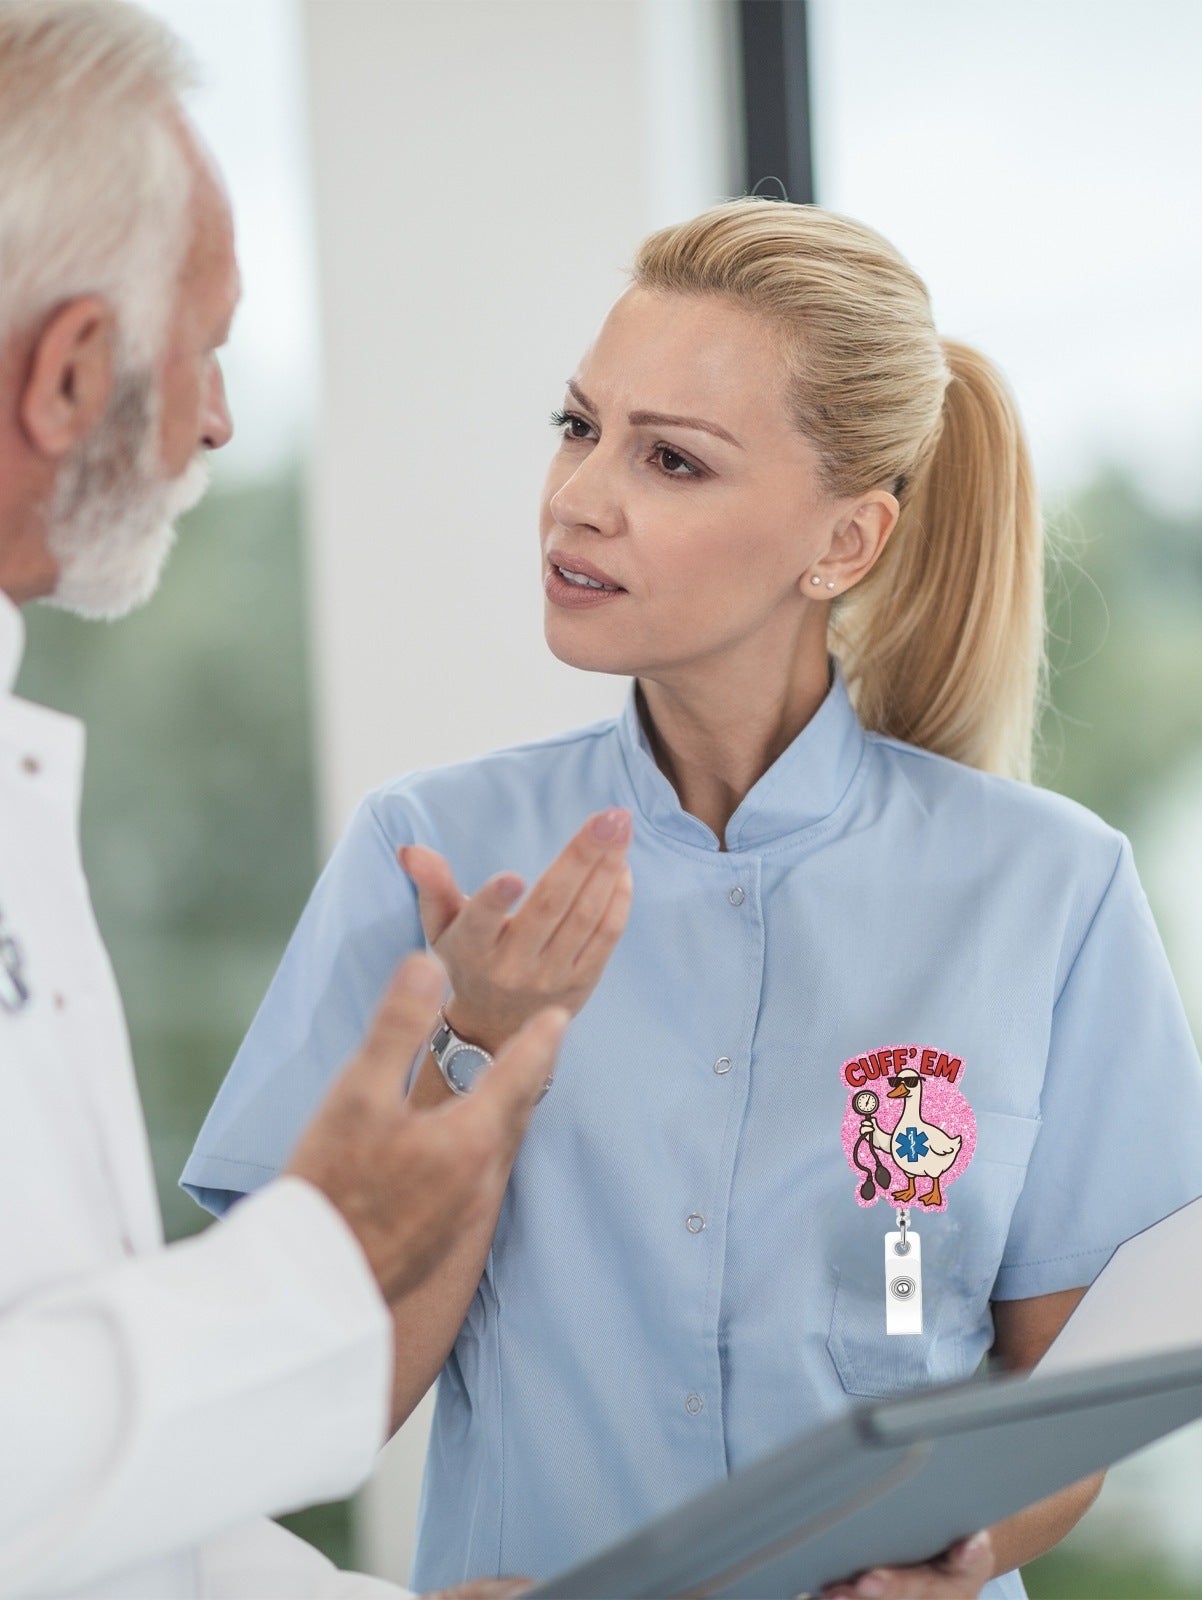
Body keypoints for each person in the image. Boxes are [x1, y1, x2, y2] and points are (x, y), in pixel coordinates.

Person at [184, 199, 1202, 1599]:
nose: (581, 495)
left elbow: (1068, 1398)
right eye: (579, 428)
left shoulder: (1049, 889)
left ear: (845, 544)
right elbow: (312, 1409)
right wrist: (474, 1056)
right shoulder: (432, 854)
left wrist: (964, 1557)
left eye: (671, 459)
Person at [0, 3, 631, 1594]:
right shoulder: (429, 839)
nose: (217, 417)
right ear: (70, 373)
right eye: (204, 349)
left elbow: (92, 1473)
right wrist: (324, 1251)